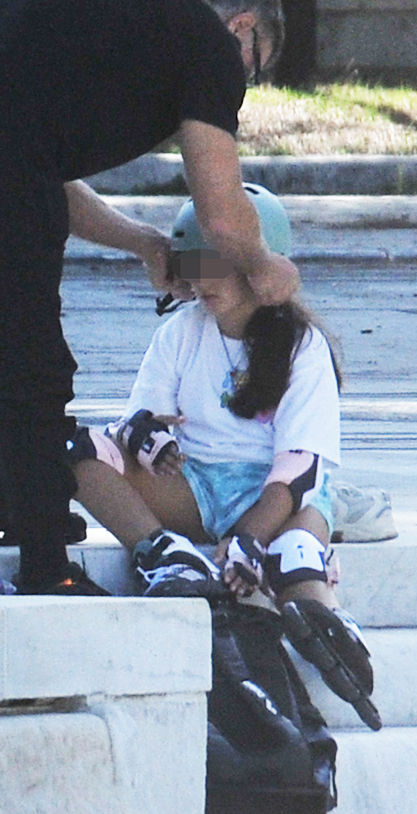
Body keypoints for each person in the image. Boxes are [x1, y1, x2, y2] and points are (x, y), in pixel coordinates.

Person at [0, 0, 300, 594]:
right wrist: (268, 268)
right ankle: (48, 569)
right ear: (243, 27)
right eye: (255, 66)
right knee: (30, 364)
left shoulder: (129, 17)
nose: (244, 81)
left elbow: (30, 167)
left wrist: (144, 243)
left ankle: (4, 500)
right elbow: (222, 214)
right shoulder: (208, 45)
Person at [70, 186, 371, 715]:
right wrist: (149, 442)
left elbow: (299, 470)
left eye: (220, 266)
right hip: (198, 484)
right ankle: (167, 556)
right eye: (193, 264)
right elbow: (136, 422)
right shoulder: (179, 333)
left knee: (294, 555)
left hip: (277, 496)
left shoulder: (303, 346)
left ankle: (331, 628)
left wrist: (249, 539)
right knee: (74, 450)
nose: (203, 279)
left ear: (262, 268)